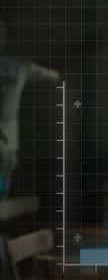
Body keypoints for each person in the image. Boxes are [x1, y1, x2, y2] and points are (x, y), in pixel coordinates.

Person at [0, 22, 61, 198]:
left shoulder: (19, 66)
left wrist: (57, 76)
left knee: (6, 170)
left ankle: (2, 199)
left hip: (9, 139)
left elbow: (52, 75)